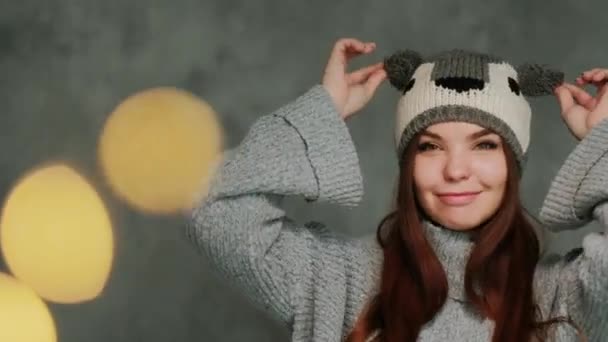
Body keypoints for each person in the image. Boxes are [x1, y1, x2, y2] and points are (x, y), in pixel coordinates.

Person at [187, 38, 608, 341]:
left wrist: (604, 140)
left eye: (484, 144)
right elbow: (214, 210)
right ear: (408, 165)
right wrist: (321, 111)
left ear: (512, 164)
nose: (456, 169)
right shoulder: (337, 280)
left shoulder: (563, 298)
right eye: (430, 146)